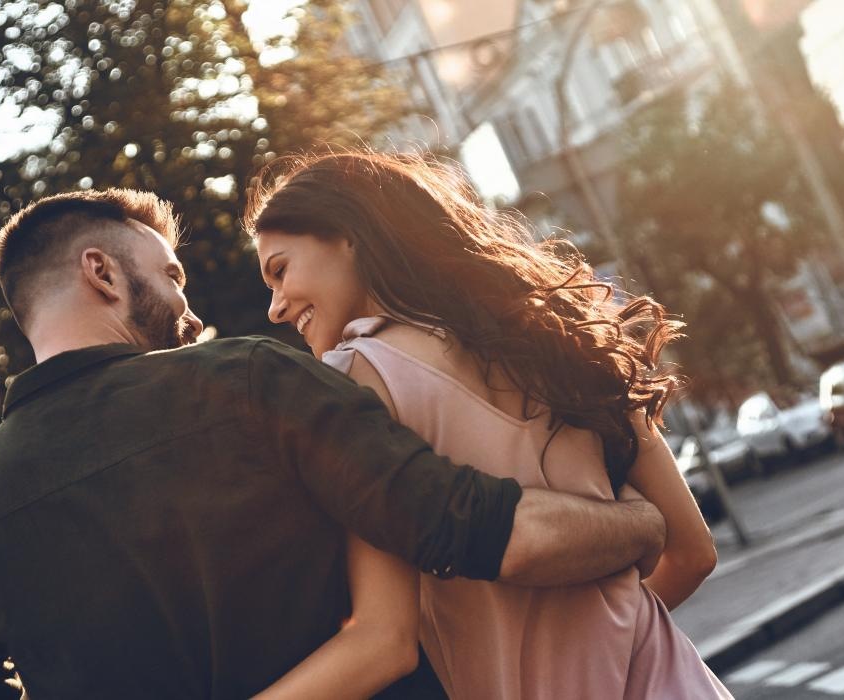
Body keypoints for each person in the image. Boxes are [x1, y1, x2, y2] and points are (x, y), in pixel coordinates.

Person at [0, 188, 670, 699]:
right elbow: (480, 529)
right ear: (102, 273)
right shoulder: (247, 382)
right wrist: (641, 524)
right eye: (170, 274)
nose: (187, 303)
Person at [246, 151, 731, 698]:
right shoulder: (562, 335)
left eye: (280, 270)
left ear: (347, 236)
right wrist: (604, 639)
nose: (275, 308)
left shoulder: (354, 384)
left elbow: (382, 634)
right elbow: (693, 553)